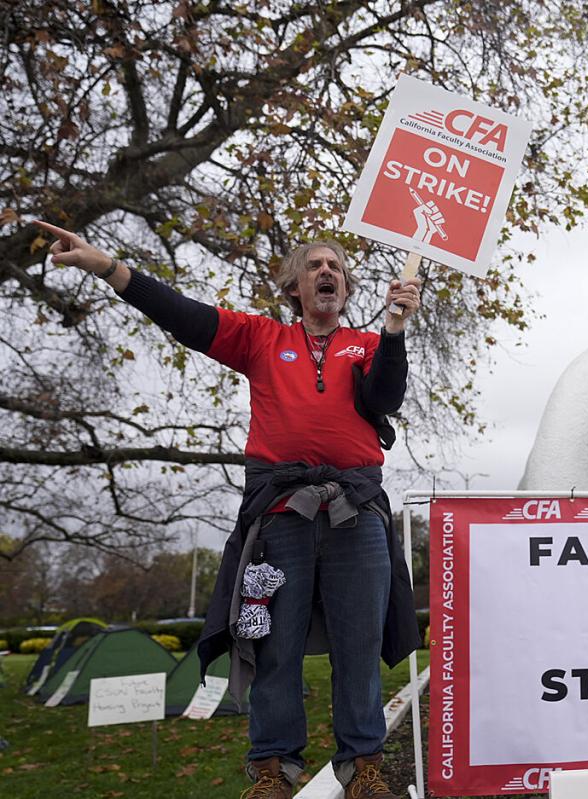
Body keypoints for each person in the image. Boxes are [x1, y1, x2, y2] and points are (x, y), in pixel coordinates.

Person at [35, 220, 423, 799]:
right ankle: (273, 768)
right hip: (280, 515)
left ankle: (362, 767)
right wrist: (106, 267)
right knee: (273, 642)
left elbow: (383, 398)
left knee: (358, 643)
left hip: (356, 513)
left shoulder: (365, 346)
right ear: (294, 286)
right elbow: (184, 316)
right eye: (314, 265)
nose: (326, 272)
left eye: (336, 267)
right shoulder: (262, 339)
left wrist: (393, 330)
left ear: (346, 289)